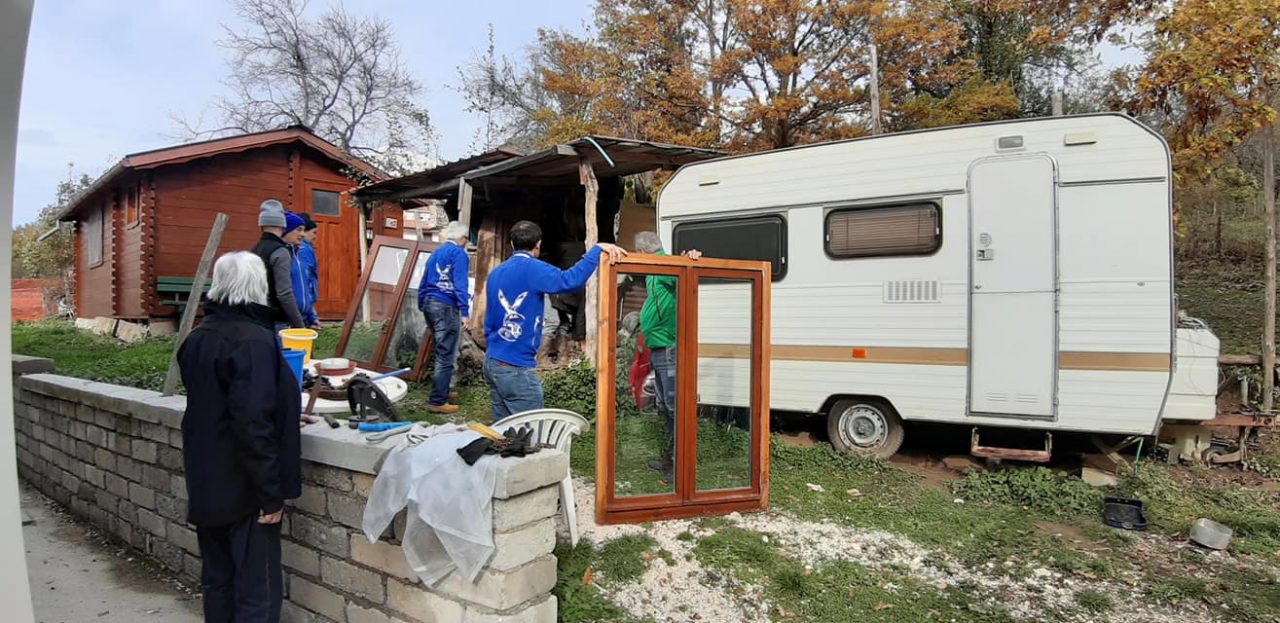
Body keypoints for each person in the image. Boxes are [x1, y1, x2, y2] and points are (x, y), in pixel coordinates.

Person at [177, 251, 301, 623]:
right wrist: (270, 494)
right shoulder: (254, 341)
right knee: (256, 591)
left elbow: (215, 402)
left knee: (218, 582)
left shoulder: (198, 338)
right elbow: (252, 421)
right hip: (245, 488)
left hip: (206, 479)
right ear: (259, 286)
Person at [483, 220, 626, 420]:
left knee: (502, 432)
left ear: (512, 243)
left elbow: (488, 321)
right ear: (538, 244)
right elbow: (570, 280)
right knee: (530, 431)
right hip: (515, 367)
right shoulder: (533, 269)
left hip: (493, 361)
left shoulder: (496, 273)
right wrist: (596, 251)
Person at [633, 231, 701, 475]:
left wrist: (689, 261)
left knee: (675, 408)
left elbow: (687, 278)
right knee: (665, 407)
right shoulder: (655, 269)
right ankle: (672, 459)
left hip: (670, 348)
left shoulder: (663, 265)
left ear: (642, 253)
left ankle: (681, 468)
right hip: (659, 349)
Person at [418, 221, 471, 415]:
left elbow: (424, 280)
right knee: (446, 353)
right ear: (463, 239)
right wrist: (465, 311)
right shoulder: (459, 254)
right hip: (446, 306)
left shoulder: (437, 253)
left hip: (430, 304)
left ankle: (443, 390)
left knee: (441, 350)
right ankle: (437, 401)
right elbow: (460, 284)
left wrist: (421, 302)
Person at [250, 200, 306, 329]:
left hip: (256, 316)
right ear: (283, 226)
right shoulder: (281, 252)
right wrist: (299, 324)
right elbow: (284, 293)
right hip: (276, 319)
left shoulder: (254, 250)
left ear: (261, 225)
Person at [290, 213, 321, 330]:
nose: (315, 236)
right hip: (302, 305)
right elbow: (305, 279)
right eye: (314, 232)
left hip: (305, 304)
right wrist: (311, 314)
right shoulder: (303, 249)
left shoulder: (303, 248)